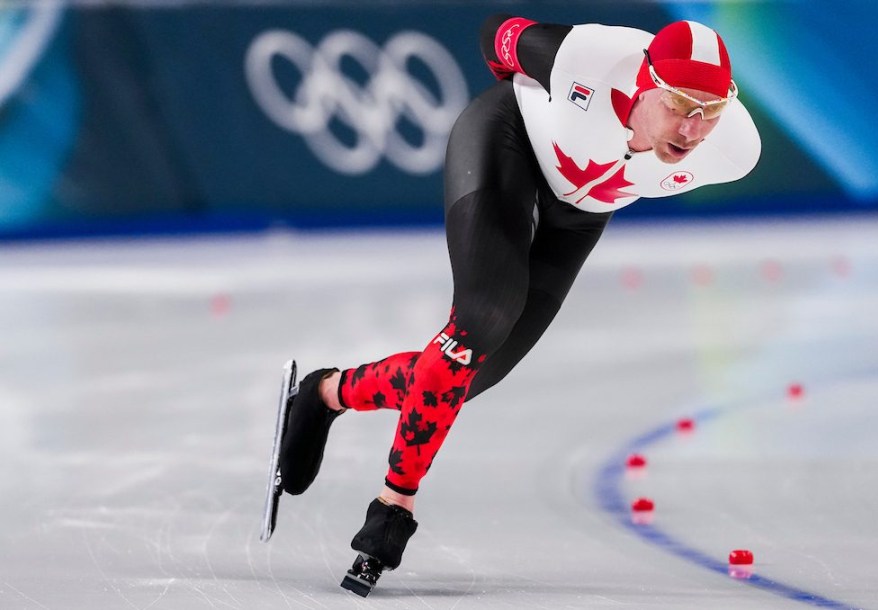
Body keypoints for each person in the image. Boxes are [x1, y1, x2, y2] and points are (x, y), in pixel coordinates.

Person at [275, 13, 760, 593]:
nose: (692, 127)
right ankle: (392, 506)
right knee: (485, 314)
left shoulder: (733, 149)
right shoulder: (585, 58)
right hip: (508, 141)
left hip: (579, 214)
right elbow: (494, 35)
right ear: (644, 80)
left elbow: (704, 128)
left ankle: (327, 393)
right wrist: (535, 95)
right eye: (680, 104)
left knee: (465, 376)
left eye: (709, 110)